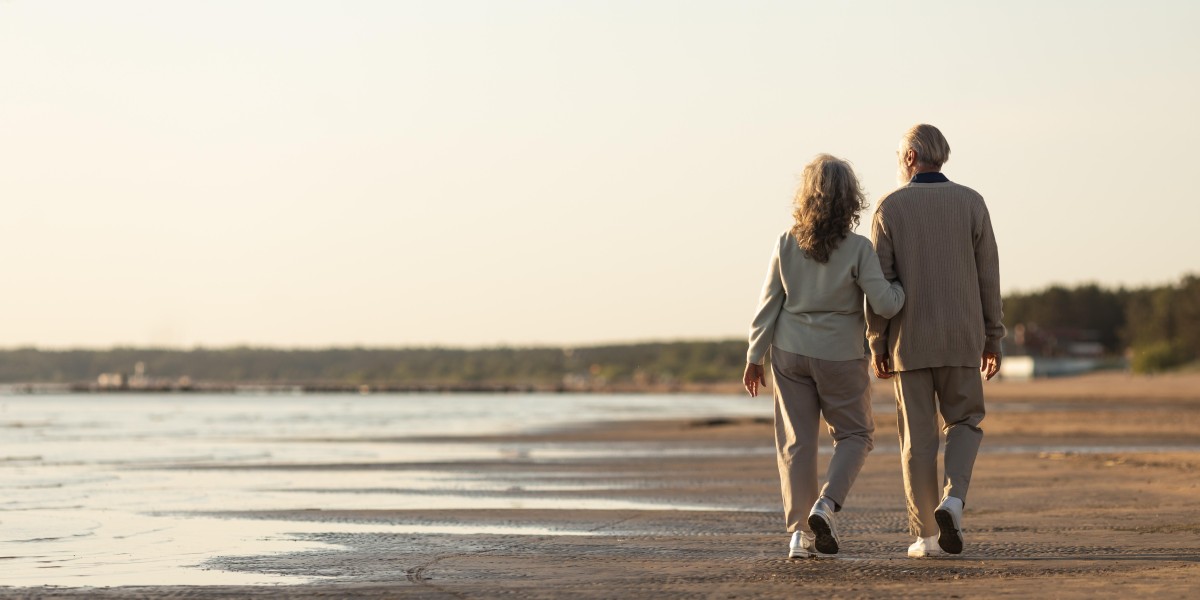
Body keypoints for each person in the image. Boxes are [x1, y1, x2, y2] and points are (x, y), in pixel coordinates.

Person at [744, 154, 905, 558]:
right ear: (850, 199)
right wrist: (903, 288)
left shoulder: (786, 242)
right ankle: (826, 505)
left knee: (796, 444)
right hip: (840, 355)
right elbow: (886, 305)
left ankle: (799, 536)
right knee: (855, 435)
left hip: (789, 353)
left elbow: (768, 305)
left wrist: (754, 356)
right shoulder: (858, 249)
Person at [866, 124, 1004, 558]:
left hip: (909, 343)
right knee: (965, 423)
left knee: (917, 440)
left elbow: (879, 284)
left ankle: (926, 537)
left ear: (910, 157)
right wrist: (994, 337)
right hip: (962, 337)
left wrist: (877, 342)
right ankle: (954, 500)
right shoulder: (972, 202)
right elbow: (988, 276)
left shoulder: (890, 207)